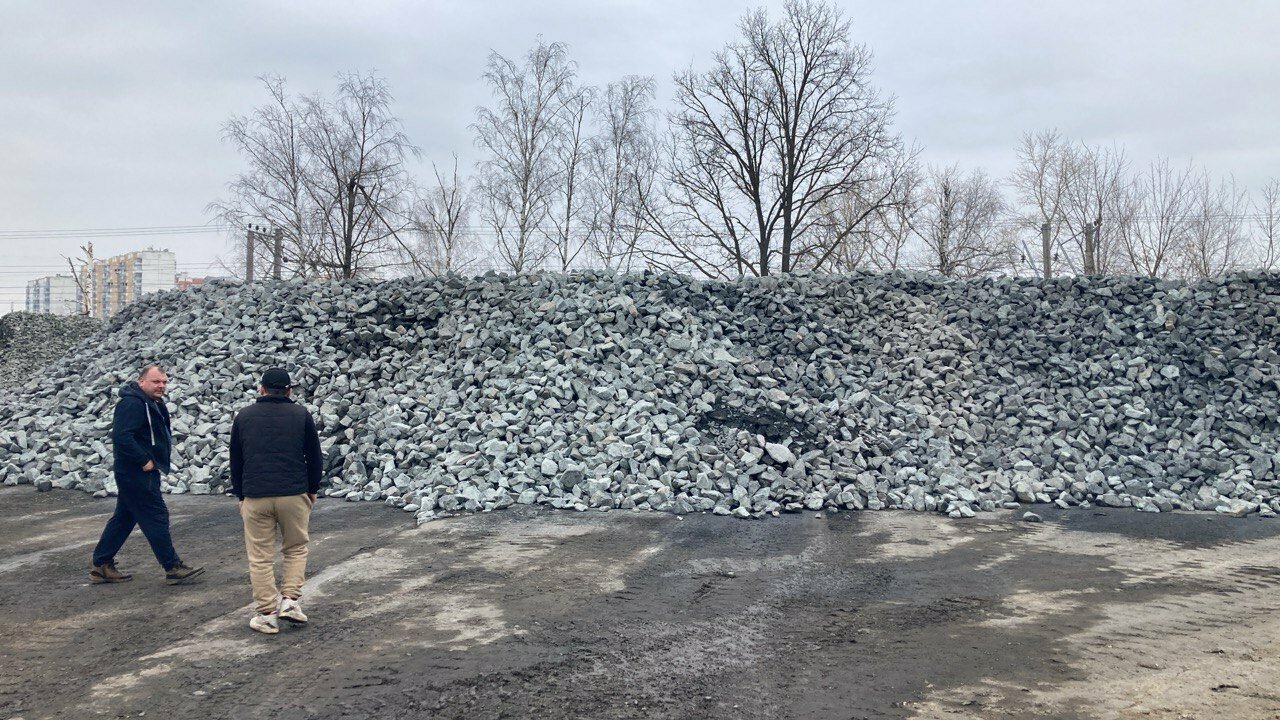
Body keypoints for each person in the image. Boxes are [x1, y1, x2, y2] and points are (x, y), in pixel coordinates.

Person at [90, 364, 204, 585]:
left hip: (136, 472)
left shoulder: (150, 402)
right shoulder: (132, 404)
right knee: (156, 515)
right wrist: (144, 459)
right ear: (141, 381)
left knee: (124, 518)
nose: (161, 386)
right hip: (136, 472)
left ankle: (101, 564)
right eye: (156, 381)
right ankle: (172, 567)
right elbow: (122, 437)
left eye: (164, 382)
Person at [230, 367, 322, 635]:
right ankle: (290, 602)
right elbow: (314, 456)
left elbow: (236, 459)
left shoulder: (244, 416)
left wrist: (241, 494)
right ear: (288, 391)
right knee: (295, 548)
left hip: (256, 495)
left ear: (261, 389)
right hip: (293, 494)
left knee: (260, 557)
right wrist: (312, 489)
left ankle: (267, 615)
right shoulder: (301, 415)